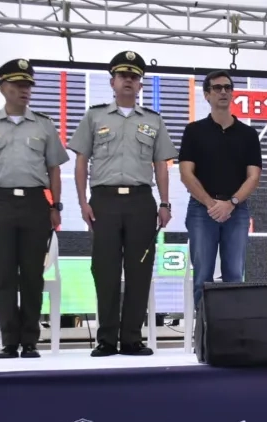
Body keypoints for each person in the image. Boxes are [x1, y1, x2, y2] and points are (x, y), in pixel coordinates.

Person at [68, 51, 178, 357]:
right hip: (103, 201)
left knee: (139, 271)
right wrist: (82, 202)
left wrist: (165, 203)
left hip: (142, 201)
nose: (128, 81)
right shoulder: (94, 116)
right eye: (123, 76)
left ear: (140, 84)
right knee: (104, 270)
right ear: (113, 82)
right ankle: (106, 339)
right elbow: (81, 163)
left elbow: (161, 164)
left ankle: (131, 339)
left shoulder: (153, 120)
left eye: (134, 76)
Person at [0, 58, 69, 359]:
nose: (25, 90)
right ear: (3, 87)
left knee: (33, 274)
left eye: (28, 85)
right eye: (19, 84)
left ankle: (30, 340)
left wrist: (55, 206)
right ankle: (10, 340)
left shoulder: (43, 124)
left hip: (36, 203)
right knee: (4, 275)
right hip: (0, 203)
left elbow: (54, 170)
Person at [178, 70, 262, 305]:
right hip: (201, 210)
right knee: (202, 276)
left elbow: (253, 177)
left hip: (237, 211)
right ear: (206, 95)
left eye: (227, 87)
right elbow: (186, 173)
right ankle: (203, 336)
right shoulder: (194, 131)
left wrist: (231, 203)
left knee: (234, 276)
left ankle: (232, 335)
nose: (223, 91)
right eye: (217, 88)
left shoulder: (248, 134)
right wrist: (211, 204)